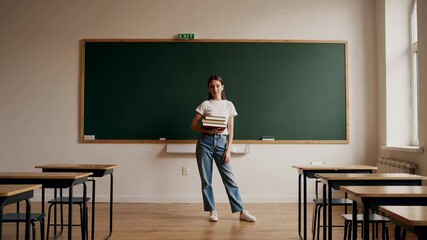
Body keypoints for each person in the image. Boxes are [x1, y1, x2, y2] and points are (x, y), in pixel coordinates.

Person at [191, 75, 256, 222]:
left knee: (230, 179)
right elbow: (194, 125)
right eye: (212, 86)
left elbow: (231, 130)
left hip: (221, 144)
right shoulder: (205, 104)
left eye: (217, 86)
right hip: (205, 143)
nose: (215, 89)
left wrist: (228, 149)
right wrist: (209, 131)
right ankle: (212, 210)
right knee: (206, 180)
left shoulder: (228, 105)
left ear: (222, 87)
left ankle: (241, 211)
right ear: (209, 88)